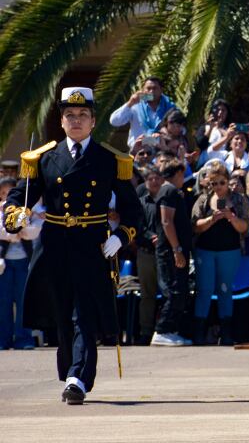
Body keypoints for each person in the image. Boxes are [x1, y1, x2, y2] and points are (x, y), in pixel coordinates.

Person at [3, 87, 142, 404]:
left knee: (84, 315)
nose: (75, 120)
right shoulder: (44, 159)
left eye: (82, 115)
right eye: (69, 115)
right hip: (54, 246)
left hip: (92, 246)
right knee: (62, 315)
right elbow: (17, 199)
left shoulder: (109, 160)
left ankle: (78, 377)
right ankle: (70, 373)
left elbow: (133, 210)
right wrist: (18, 215)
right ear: (62, 121)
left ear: (93, 121)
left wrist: (120, 237)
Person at [191, 166, 249, 345]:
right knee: (205, 290)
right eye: (214, 183)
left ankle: (226, 334)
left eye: (222, 182)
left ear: (228, 181)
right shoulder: (203, 199)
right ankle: (199, 333)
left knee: (225, 290)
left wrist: (231, 217)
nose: (218, 186)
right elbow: (195, 226)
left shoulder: (239, 200)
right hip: (206, 251)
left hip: (230, 251)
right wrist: (212, 219)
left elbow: (245, 228)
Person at [150, 160, 194, 346]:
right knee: (174, 290)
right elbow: (166, 222)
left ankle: (171, 330)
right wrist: (177, 250)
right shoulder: (168, 191)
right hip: (170, 252)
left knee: (180, 290)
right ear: (176, 174)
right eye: (182, 175)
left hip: (176, 250)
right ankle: (162, 330)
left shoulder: (173, 192)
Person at [0, 176, 40, 350]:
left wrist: (20, 229)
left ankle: (24, 338)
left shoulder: (28, 210)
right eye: (3, 193)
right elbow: (2, 231)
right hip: (5, 262)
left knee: (23, 301)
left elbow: (35, 231)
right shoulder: (1, 211)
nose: (7, 196)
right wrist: (14, 233)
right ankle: (3, 339)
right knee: (4, 302)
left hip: (24, 260)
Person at [135, 168, 163, 345]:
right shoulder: (140, 203)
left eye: (157, 178)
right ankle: (145, 331)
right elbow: (137, 226)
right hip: (146, 252)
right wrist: (151, 237)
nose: (154, 181)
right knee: (147, 295)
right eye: (150, 178)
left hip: (165, 253)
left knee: (167, 293)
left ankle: (163, 329)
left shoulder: (168, 199)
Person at [109, 77, 176, 148]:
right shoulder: (135, 105)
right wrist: (129, 103)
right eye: (148, 88)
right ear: (143, 90)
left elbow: (182, 129)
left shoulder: (169, 106)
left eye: (154, 88)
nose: (151, 91)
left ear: (161, 90)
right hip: (139, 151)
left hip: (162, 151)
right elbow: (114, 121)